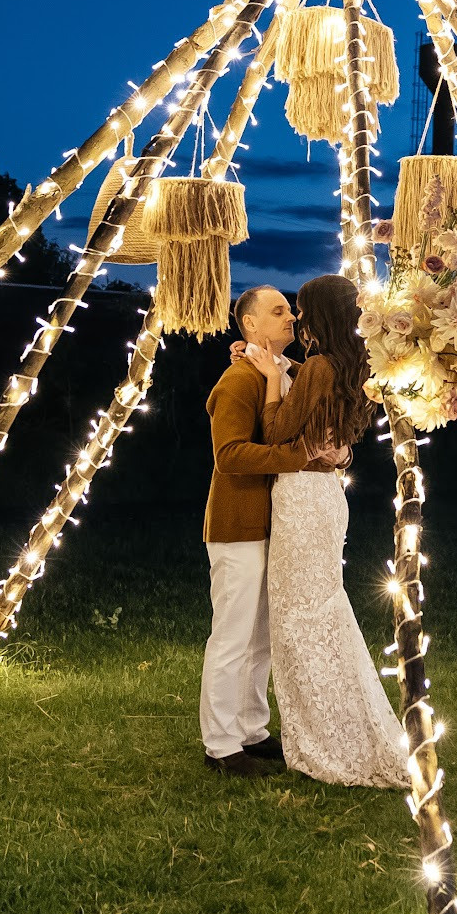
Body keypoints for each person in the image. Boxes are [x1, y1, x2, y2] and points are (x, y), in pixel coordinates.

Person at [243, 273, 409, 787]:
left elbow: (275, 432)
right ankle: (345, 728)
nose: (297, 317)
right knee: (324, 612)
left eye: (301, 309)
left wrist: (271, 380)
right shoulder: (353, 366)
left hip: (300, 499)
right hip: (328, 497)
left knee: (298, 622)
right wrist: (279, 364)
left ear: (320, 315)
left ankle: (327, 742)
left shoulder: (317, 367)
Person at [199, 285, 341, 778]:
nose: (290, 319)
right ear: (250, 327)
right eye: (277, 311)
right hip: (238, 524)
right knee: (232, 636)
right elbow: (229, 455)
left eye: (290, 310)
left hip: (274, 525)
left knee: (261, 636)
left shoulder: (288, 371)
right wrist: (294, 458)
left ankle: (252, 729)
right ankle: (219, 745)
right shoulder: (237, 381)